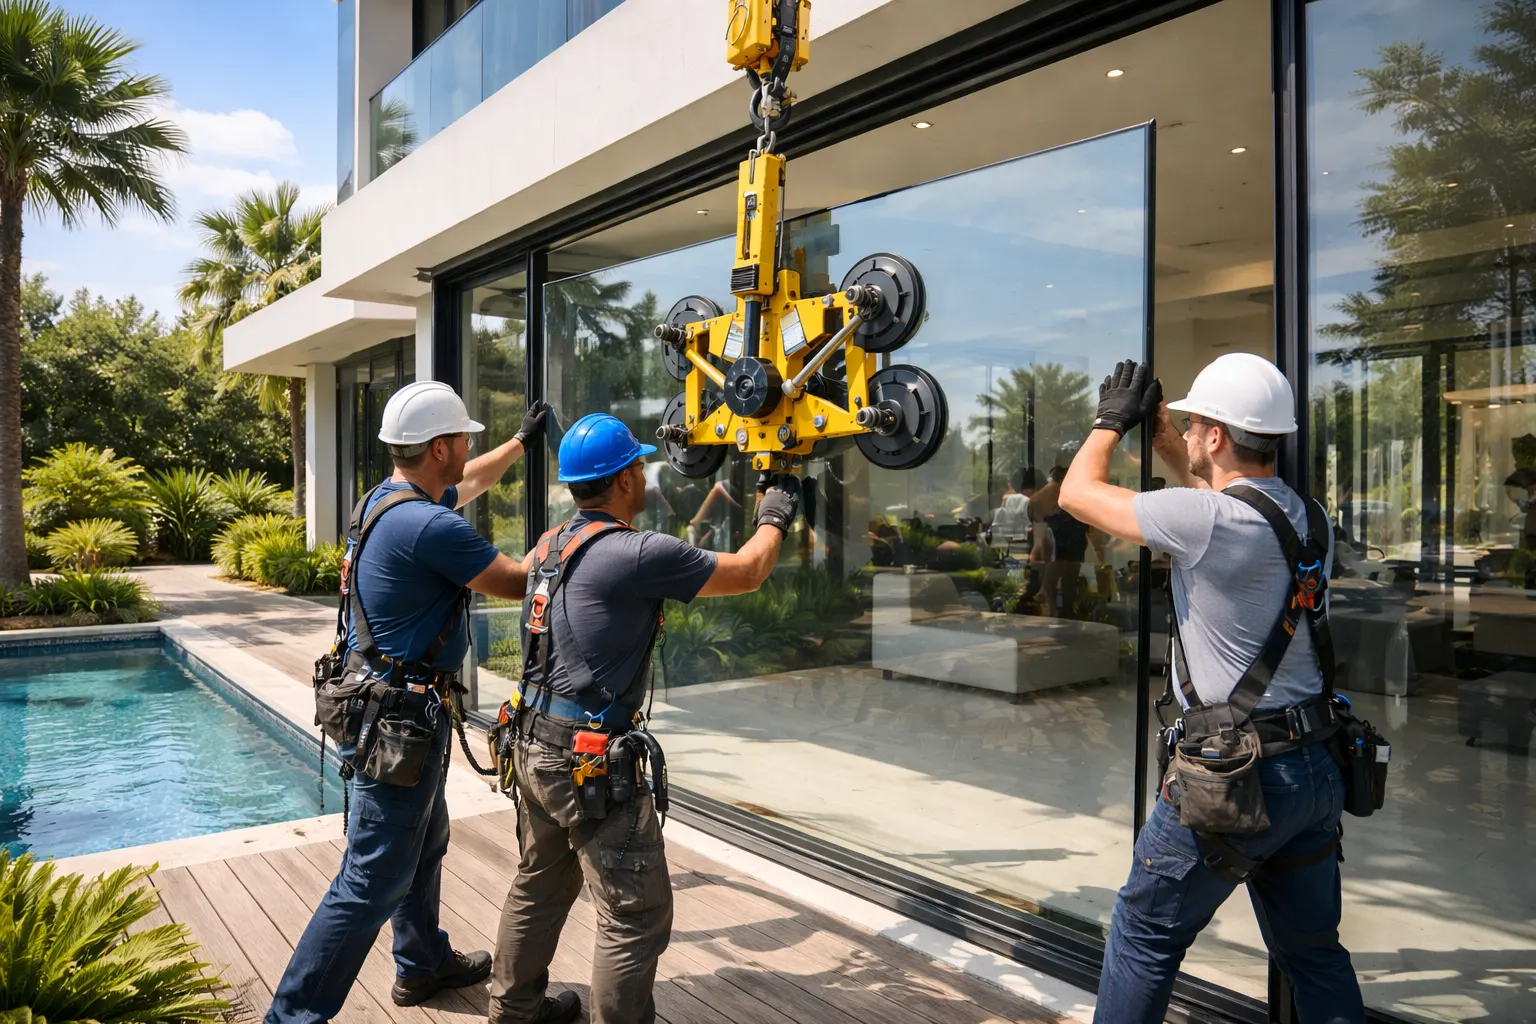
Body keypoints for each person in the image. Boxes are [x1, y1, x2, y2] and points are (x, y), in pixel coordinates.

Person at [1058, 353, 1364, 1024]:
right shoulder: (1307, 518)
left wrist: (1111, 422)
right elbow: (1211, 491)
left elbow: (1077, 494)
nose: (1191, 437)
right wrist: (1165, 427)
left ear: (1219, 436)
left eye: (1199, 426)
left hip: (1234, 779)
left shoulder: (1209, 524)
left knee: (1143, 936)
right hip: (1315, 767)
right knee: (1314, 954)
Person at [488, 414, 800, 1024]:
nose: (643, 473)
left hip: (528, 742)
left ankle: (513, 1007)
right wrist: (775, 513)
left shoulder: (550, 545)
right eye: (639, 465)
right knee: (634, 912)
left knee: (540, 881)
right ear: (627, 478)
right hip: (584, 758)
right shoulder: (637, 553)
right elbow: (750, 570)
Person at [265, 382, 549, 1024]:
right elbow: (516, 582)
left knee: (425, 840)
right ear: (440, 446)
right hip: (396, 719)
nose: (470, 447)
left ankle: (421, 964)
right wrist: (570, 537)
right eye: (465, 439)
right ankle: (291, 1019)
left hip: (389, 707)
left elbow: (469, 483)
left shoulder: (387, 501)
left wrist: (518, 444)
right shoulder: (429, 525)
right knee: (369, 879)